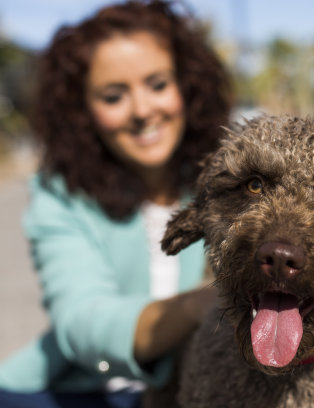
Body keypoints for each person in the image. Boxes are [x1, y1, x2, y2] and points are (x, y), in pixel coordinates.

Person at [0, 1, 231, 407]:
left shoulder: (229, 177)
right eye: (113, 96)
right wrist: (201, 303)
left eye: (158, 84)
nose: (143, 110)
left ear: (187, 87)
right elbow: (82, 321)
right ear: (82, 112)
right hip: (88, 389)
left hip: (211, 378)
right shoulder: (61, 193)